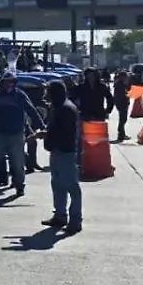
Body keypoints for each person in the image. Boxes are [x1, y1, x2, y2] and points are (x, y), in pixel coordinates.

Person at [0, 71, 45, 196]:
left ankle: (19, 186)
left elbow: (31, 110)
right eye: (7, 82)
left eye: (12, 82)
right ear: (1, 83)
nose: (9, 84)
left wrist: (41, 126)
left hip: (16, 134)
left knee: (18, 163)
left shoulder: (20, 95)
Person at [36, 80, 82, 234]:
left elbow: (65, 133)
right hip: (56, 151)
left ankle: (75, 220)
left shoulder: (66, 109)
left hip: (66, 152)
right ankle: (60, 216)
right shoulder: (56, 107)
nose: (45, 94)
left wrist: (47, 134)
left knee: (71, 186)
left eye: (48, 91)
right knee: (57, 185)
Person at [111, 70, 131, 142]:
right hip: (122, 104)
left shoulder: (123, 84)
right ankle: (120, 135)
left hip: (123, 103)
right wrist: (127, 96)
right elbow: (121, 95)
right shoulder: (119, 85)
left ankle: (122, 134)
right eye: (126, 76)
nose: (127, 78)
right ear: (122, 77)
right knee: (122, 120)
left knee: (123, 119)